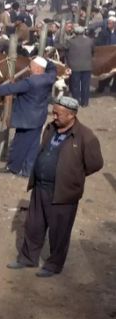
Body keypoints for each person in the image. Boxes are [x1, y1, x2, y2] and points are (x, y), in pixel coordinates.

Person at [6, 96, 103, 277]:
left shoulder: (85, 136)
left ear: (71, 115)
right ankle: (28, 258)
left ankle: (53, 265)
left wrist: (73, 175)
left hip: (63, 193)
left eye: (58, 113)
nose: (54, 116)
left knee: (59, 232)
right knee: (33, 226)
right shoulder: (50, 129)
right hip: (40, 187)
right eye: (54, 112)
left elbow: (95, 164)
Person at [0, 56, 57, 177]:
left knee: (19, 144)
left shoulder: (30, 82)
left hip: (26, 119)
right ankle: (28, 170)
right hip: (39, 117)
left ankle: (13, 167)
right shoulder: (49, 78)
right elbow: (53, 68)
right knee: (33, 145)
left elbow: (10, 88)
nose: (28, 69)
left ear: (37, 68)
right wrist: (47, 59)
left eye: (30, 66)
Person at [64, 26, 94, 107]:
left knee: (75, 85)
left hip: (74, 66)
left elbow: (65, 49)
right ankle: (85, 103)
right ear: (83, 32)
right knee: (86, 85)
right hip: (87, 66)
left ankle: (75, 101)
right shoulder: (90, 41)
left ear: (75, 33)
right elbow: (93, 51)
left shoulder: (70, 41)